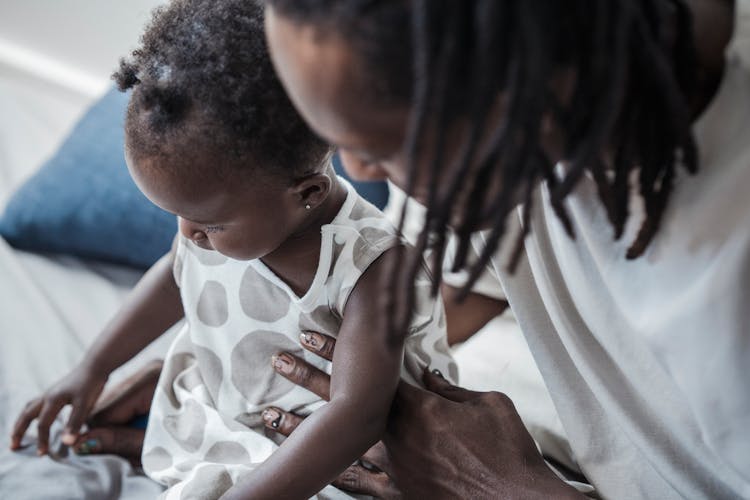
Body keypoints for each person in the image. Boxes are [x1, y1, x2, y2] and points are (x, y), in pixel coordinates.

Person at [257, 0, 750, 498]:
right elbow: (461, 287)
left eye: (379, 148)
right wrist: (371, 400)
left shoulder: (730, 279)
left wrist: (503, 485)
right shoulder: (507, 90)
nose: (354, 171)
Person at [8, 1, 456, 499]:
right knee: (183, 420)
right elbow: (175, 276)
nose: (188, 234)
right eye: (179, 215)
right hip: (232, 396)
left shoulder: (373, 267)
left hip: (330, 449)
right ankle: (156, 440)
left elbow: (357, 415)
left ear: (306, 193)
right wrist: (92, 367)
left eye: (210, 223)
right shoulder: (226, 219)